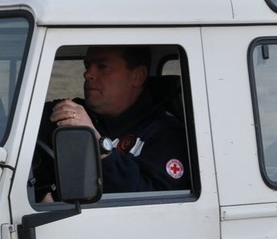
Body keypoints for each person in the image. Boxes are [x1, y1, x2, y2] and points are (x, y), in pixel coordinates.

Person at [46, 45, 189, 193]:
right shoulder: (74, 113)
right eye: (88, 66)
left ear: (137, 76)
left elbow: (154, 203)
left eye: (102, 66)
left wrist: (97, 144)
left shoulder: (167, 134)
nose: (88, 74)